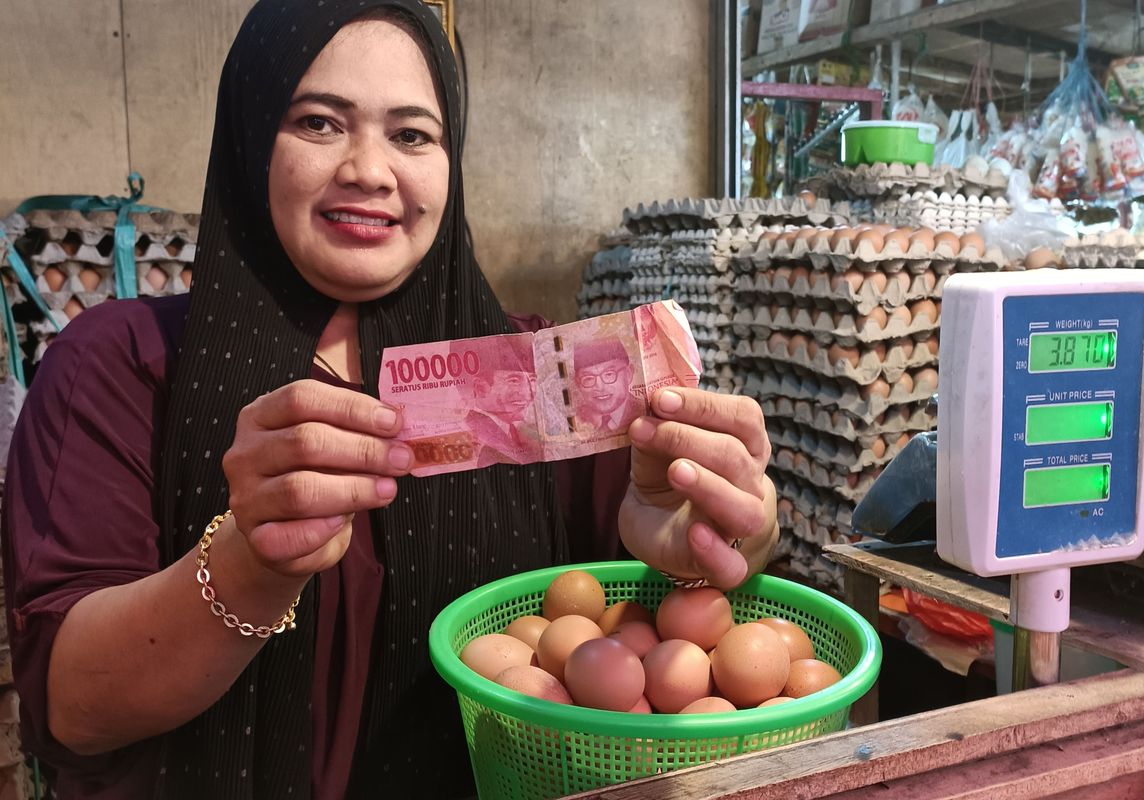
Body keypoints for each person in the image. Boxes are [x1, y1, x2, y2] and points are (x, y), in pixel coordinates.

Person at [0, 2, 779, 798]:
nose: (370, 170)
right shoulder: (122, 370)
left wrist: (722, 530)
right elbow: (75, 708)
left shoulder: (542, 378)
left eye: (412, 134)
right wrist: (247, 566)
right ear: (248, 137)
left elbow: (645, 608)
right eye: (317, 123)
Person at [456, 341, 540, 466]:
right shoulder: (471, 432)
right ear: (481, 388)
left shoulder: (517, 431)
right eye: (514, 381)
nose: (529, 394)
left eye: (532, 381)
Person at [572, 338, 639, 435]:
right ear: (577, 383)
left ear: (628, 374)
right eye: (588, 378)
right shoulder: (573, 421)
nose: (600, 387)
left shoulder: (646, 413)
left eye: (609, 374)